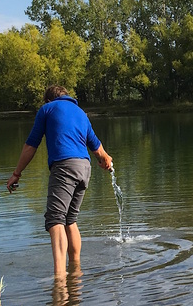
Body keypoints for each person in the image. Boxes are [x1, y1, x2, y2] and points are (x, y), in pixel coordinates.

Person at [7, 85, 114, 278]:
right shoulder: (81, 113)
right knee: (70, 220)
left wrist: (17, 173)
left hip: (65, 167)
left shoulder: (47, 109)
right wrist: (106, 161)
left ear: (48, 99)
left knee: (55, 219)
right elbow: (98, 150)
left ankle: (59, 276)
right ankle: (76, 269)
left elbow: (31, 145)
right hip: (85, 168)